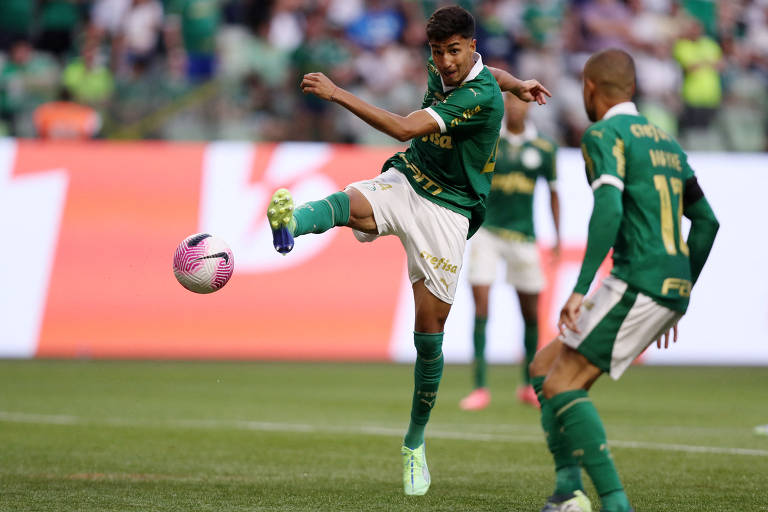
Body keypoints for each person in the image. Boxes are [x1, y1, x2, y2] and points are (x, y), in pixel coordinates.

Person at [266, 5, 550, 497]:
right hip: (411, 177)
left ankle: (415, 443)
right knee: (351, 203)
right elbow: (491, 73)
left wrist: (337, 93)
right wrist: (518, 82)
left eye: (454, 52)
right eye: (438, 52)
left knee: (430, 330)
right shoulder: (467, 69)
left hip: (451, 210)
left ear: (472, 48)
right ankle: (290, 223)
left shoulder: (478, 95)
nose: (445, 62)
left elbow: (402, 127)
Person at [528, 48, 719, 512]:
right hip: (663, 283)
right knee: (543, 370)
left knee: (562, 386)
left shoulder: (603, 134)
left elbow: (609, 208)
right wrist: (681, 289)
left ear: (589, 89)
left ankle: (614, 504)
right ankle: (567, 493)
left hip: (637, 279)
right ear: (632, 89)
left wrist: (578, 288)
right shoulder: (667, 143)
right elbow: (707, 222)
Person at [460, 92, 560, 411]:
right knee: (481, 306)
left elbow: (554, 193)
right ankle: (480, 387)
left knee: (530, 313)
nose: (516, 107)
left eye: (521, 101)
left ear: (529, 106)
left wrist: (557, 236)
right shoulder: (489, 141)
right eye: (511, 101)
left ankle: (529, 384)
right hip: (487, 233)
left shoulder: (544, 148)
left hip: (524, 238)